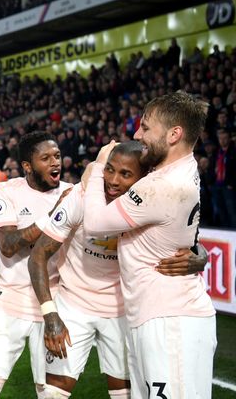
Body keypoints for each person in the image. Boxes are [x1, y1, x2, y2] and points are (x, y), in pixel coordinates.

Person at [28, 141, 207, 399]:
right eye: (109, 170)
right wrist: (50, 314)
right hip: (74, 305)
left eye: (125, 174)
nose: (112, 180)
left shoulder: (149, 202)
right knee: (52, 394)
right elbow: (38, 255)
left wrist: (201, 255)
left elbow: (185, 239)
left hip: (125, 310)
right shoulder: (82, 196)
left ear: (143, 178)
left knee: (126, 394)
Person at [83, 91, 216, 399]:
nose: (136, 134)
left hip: (171, 321)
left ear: (174, 134)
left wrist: (97, 167)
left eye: (145, 127)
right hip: (153, 315)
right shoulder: (179, 168)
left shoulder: (162, 185)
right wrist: (200, 251)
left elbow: (94, 223)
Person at [0, 131, 73, 399]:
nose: (55, 163)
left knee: (50, 393)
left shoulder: (71, 194)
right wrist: (54, 216)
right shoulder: (5, 190)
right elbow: (8, 244)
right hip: (11, 302)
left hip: (53, 304)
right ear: (28, 166)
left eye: (57, 156)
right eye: (46, 158)